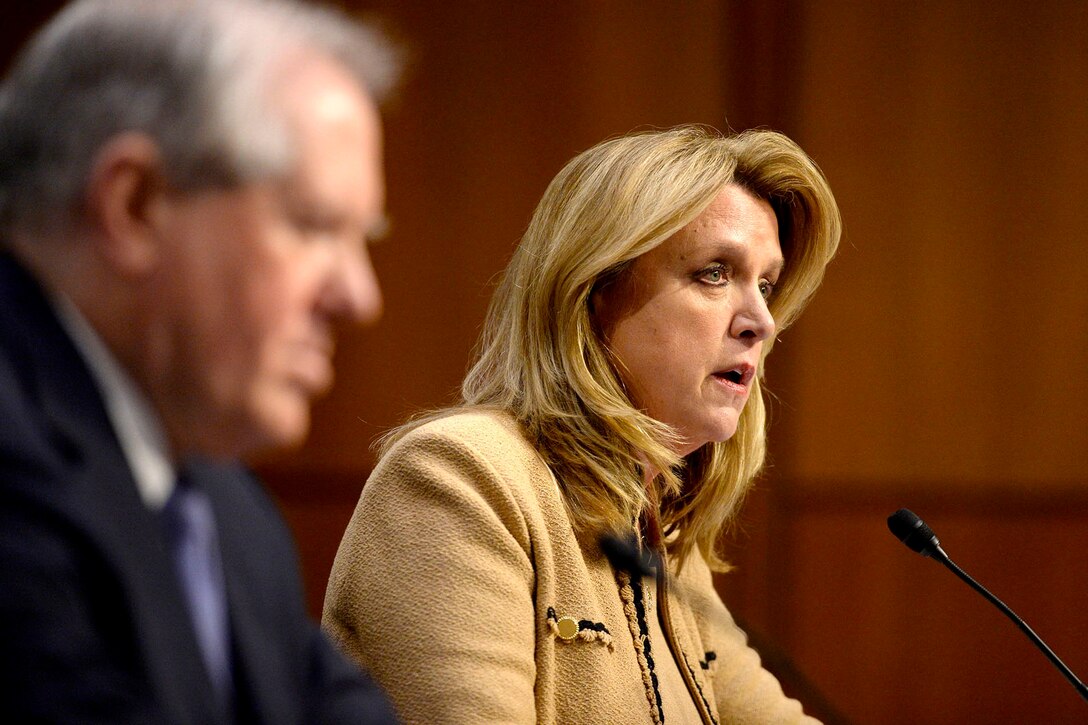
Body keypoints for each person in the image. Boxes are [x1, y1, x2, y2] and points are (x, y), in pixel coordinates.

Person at [323, 125, 841, 724]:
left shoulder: (660, 534)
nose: (761, 321)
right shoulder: (459, 481)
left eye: (767, 285)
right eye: (715, 273)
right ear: (593, 291)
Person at [0, 0, 400, 721]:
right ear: (135, 205)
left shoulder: (226, 505)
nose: (358, 297)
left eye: (360, 237)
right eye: (313, 225)